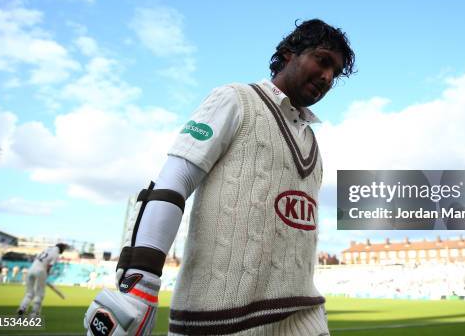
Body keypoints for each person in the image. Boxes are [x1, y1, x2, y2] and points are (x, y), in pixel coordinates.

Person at [85, 19, 355, 336]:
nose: (327, 76)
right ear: (287, 54)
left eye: (334, 73)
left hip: (303, 315)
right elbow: (173, 182)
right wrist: (140, 282)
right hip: (219, 320)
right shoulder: (235, 99)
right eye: (322, 61)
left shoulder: (312, 142)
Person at [17, 243, 68, 318]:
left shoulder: (46, 249)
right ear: (61, 248)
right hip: (41, 271)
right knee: (39, 294)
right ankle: (34, 314)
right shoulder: (56, 254)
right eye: (64, 249)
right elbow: (49, 266)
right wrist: (46, 275)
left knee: (29, 293)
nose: (63, 251)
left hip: (31, 270)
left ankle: (22, 308)